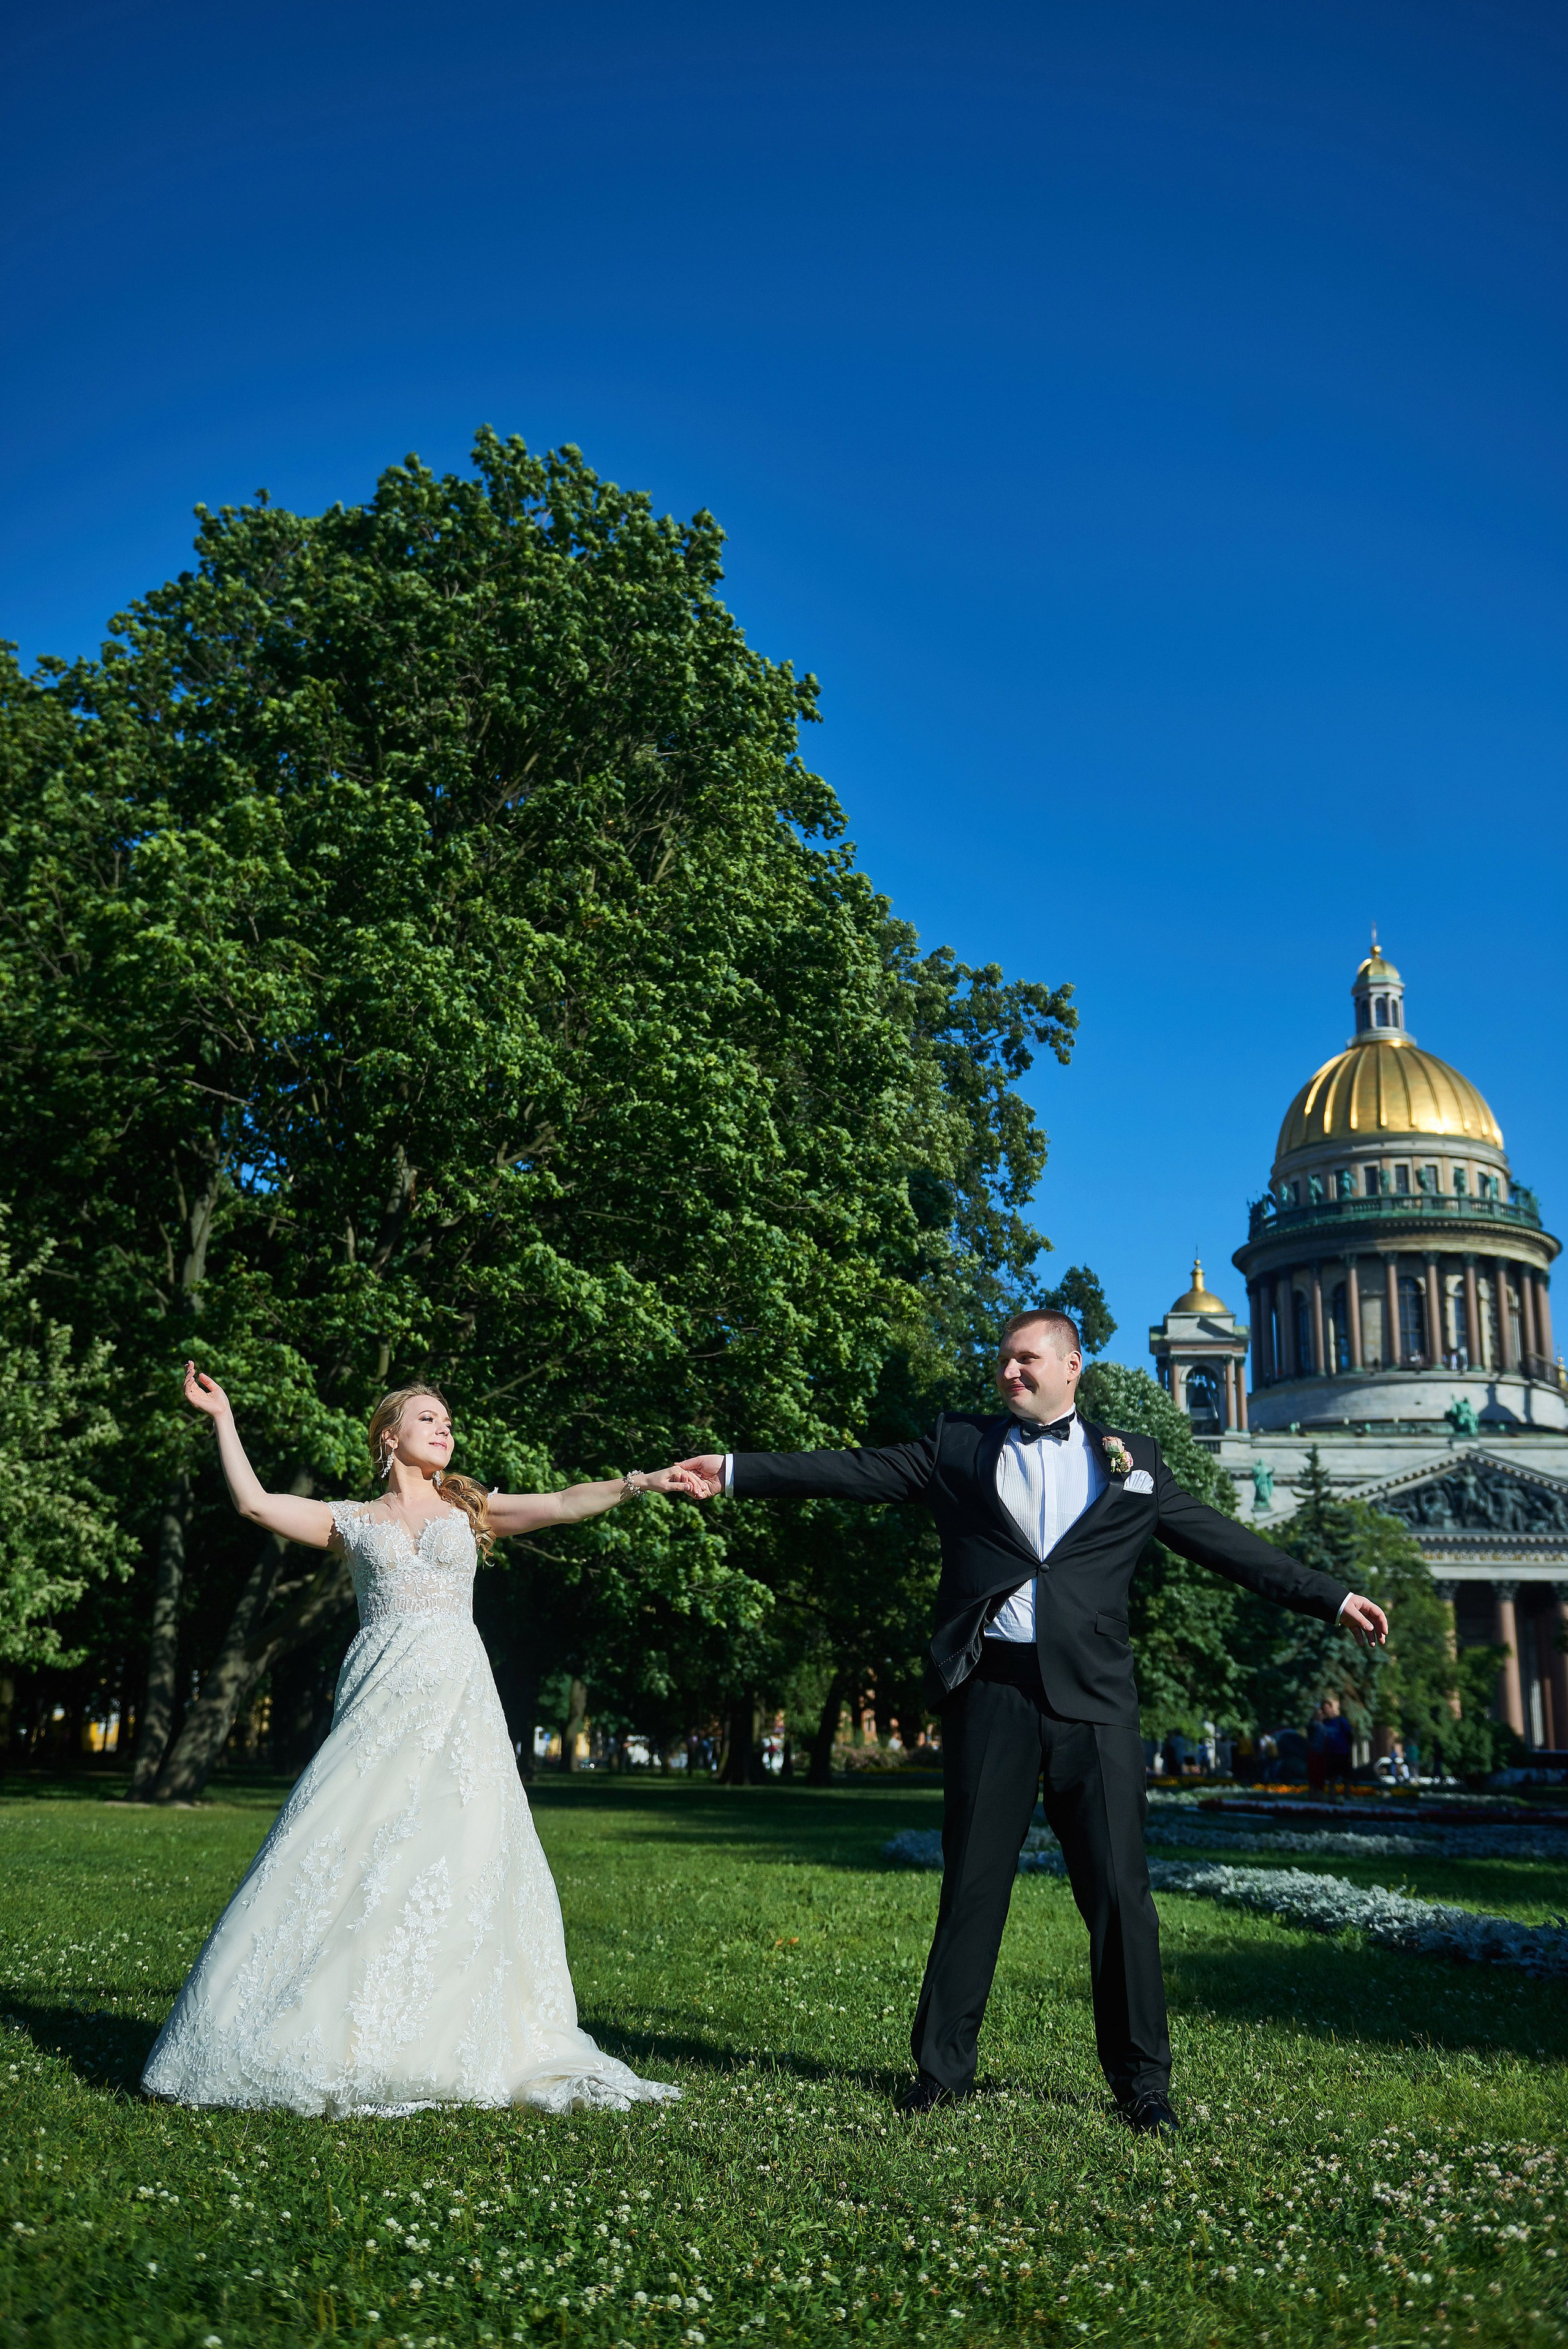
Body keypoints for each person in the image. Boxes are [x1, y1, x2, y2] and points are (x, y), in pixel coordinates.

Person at [677, 1307, 1389, 2137]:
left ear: (1071, 1365)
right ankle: (942, 2071)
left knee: (1121, 1893)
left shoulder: (1136, 1460)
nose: (1009, 1372)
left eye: (1025, 1359)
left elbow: (1222, 1541)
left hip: (1096, 1702)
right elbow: (853, 1469)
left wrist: (1329, 1594)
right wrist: (732, 1470)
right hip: (993, 1693)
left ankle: (1143, 2084)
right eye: (1002, 1360)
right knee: (974, 1884)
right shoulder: (958, 1447)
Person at [142, 1367, 701, 2118]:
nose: (444, 1428)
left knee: (459, 1851)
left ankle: (443, 2032)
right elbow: (253, 1502)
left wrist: (642, 1482)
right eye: (428, 1418)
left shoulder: (470, 1508)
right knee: (339, 1847)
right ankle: (300, 2025)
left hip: (459, 1703)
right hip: (380, 1698)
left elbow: (566, 1503)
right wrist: (224, 1417)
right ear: (388, 1436)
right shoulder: (353, 1520)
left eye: (448, 1420)